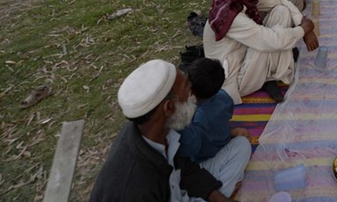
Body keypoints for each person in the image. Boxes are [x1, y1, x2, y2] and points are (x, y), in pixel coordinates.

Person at [90, 59, 251, 202]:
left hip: (177, 190)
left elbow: (186, 169)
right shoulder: (136, 187)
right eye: (186, 86)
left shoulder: (158, 131)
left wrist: (219, 199)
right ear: (169, 107)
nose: (191, 89)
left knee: (241, 147)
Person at [203, 0, 319, 104]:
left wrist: (302, 23)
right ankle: (268, 75)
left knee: (281, 11)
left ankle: (270, 75)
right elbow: (270, 40)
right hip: (234, 77)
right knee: (271, 40)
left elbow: (280, 2)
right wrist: (304, 29)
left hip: (244, 52)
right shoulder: (232, 15)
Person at [178, 58, 250, 164]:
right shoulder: (224, 96)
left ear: (191, 90)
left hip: (205, 156)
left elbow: (191, 145)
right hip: (222, 137)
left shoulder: (198, 117)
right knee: (243, 144)